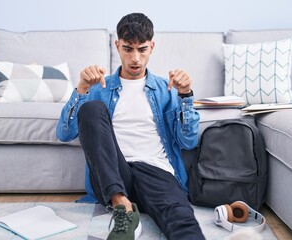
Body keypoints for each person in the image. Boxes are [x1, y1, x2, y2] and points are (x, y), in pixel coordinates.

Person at [56, 12, 205, 240]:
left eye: (142, 49)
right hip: (114, 174)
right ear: (117, 46)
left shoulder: (167, 89)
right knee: (91, 108)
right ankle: (122, 206)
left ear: (152, 47)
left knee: (181, 219)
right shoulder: (99, 88)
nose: (135, 58)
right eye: (128, 49)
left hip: (156, 170)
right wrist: (82, 88)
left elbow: (189, 141)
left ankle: (126, 208)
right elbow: (65, 134)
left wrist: (185, 95)